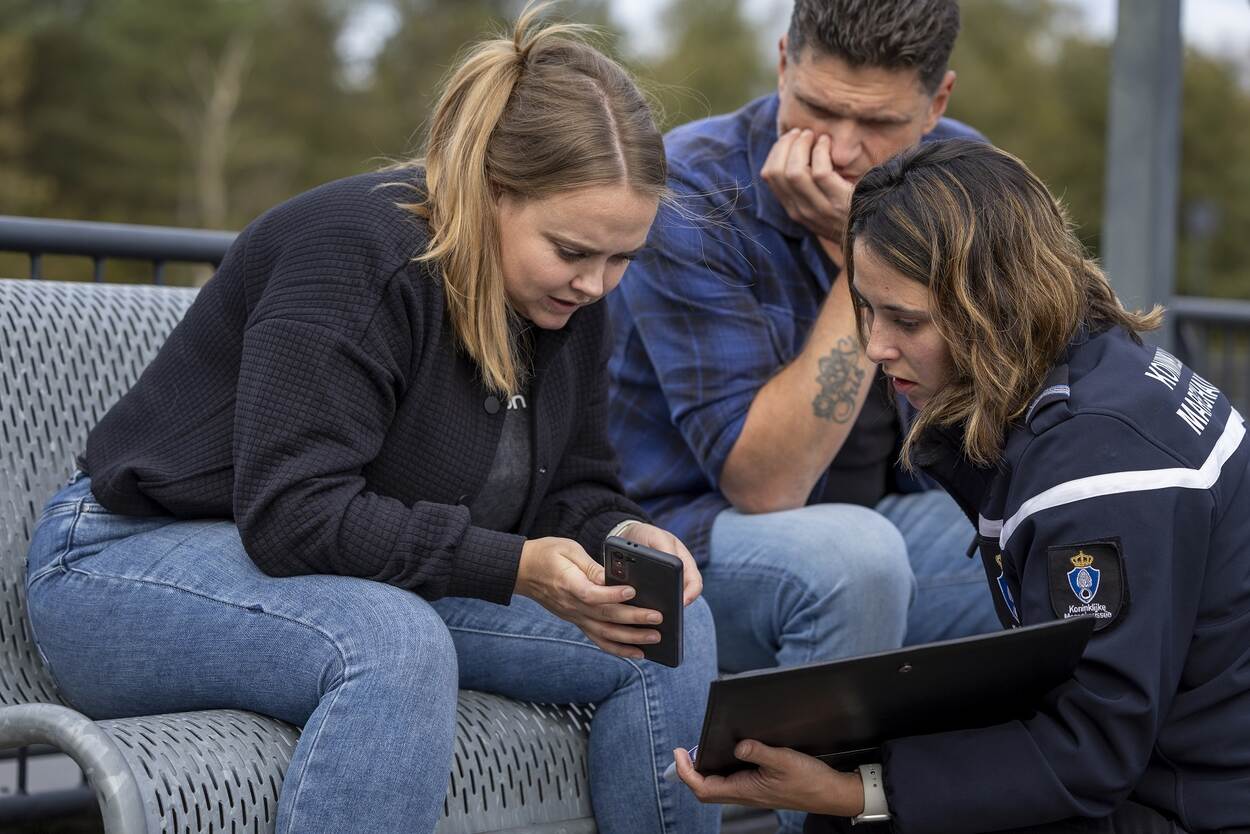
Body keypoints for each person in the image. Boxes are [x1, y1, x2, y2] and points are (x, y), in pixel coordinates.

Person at [23, 7, 720, 834]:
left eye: (621, 258)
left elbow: (575, 489)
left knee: (660, 626)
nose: (598, 284)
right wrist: (516, 564)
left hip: (363, 582)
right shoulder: (356, 251)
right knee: (392, 643)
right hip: (123, 566)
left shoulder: (567, 303)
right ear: (490, 190)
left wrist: (625, 534)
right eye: (572, 251)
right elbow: (291, 513)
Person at [673, 139, 1250, 832]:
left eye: (907, 320)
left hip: (1187, 805)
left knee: (855, 817)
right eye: (867, 308)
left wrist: (853, 794)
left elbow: (1092, 752)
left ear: (995, 301)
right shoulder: (1097, 366)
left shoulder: (1103, 466)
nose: (877, 346)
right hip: (1167, 769)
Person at [607, 0, 998, 686]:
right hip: (681, 544)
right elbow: (766, 485)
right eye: (817, 108)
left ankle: (998, 788)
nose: (842, 149)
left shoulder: (965, 179)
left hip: (888, 518)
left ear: (936, 102)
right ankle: (826, 796)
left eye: (879, 123)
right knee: (854, 559)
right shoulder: (694, 190)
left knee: (1084, 529)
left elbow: (1011, 404)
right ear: (784, 63)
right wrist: (867, 252)